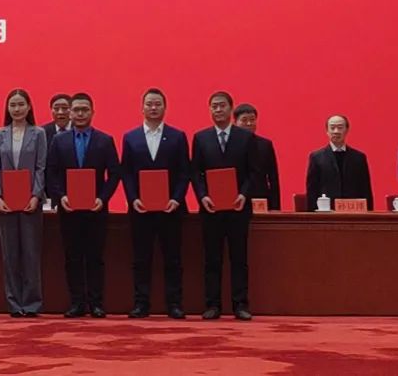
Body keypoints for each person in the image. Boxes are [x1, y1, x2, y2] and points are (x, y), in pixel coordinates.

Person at [45, 92, 120, 318]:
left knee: (95, 257)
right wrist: (61, 196)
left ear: (92, 112)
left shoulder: (104, 140)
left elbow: (114, 174)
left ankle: (96, 303)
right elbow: (51, 172)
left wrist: (102, 198)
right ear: (70, 113)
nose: (80, 114)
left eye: (84, 110)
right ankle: (77, 302)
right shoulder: (59, 141)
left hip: (96, 209)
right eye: (76, 110)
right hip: (69, 209)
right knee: (73, 257)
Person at [120, 87, 189, 319]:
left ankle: (174, 304)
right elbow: (126, 172)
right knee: (141, 259)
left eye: (158, 104)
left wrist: (176, 199)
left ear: (165, 107)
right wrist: (133, 199)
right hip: (141, 210)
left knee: (173, 258)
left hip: (171, 209)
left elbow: (184, 172)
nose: (153, 107)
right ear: (142, 108)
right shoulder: (131, 137)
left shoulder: (177, 136)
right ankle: (141, 303)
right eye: (149, 104)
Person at [191, 91, 260, 321]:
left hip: (238, 208)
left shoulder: (245, 137)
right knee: (212, 258)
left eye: (222, 106)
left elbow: (254, 172)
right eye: (214, 106)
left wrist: (243, 194)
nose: (218, 110)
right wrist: (202, 196)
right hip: (211, 209)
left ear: (231, 109)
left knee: (239, 258)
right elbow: (195, 172)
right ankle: (212, 304)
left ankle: (240, 304)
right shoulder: (201, 138)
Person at [0, 88, 47, 318]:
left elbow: (41, 167)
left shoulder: (39, 133)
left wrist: (36, 196)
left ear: (29, 107)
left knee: (31, 254)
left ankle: (32, 303)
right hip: (6, 202)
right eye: (12, 105)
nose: (17, 109)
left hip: (30, 202)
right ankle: (14, 303)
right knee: (10, 255)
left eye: (21, 104)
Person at [306, 115, 374, 211]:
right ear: (327, 131)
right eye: (332, 127)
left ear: (347, 130)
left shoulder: (359, 157)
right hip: (326, 211)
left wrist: (369, 213)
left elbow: (365, 188)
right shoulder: (316, 157)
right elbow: (312, 189)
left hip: (353, 211)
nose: (336, 131)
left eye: (340, 127)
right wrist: (312, 214)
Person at [233, 103, 281, 210]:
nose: (249, 123)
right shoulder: (230, 145)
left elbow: (273, 178)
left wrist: (275, 207)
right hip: (236, 199)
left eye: (252, 119)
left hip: (260, 198)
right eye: (244, 120)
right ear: (235, 122)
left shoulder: (265, 145)